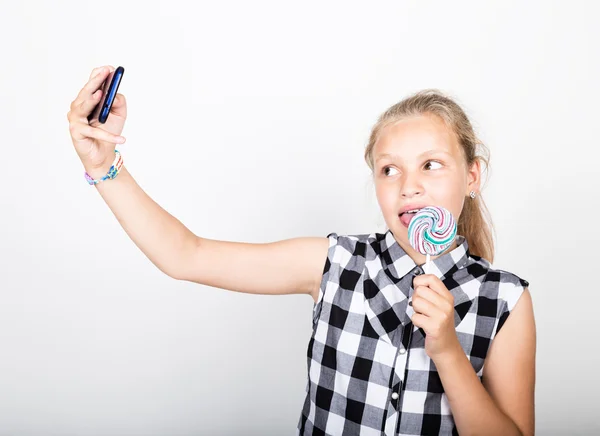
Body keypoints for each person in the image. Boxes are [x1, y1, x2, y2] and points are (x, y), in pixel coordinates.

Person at [67, 66, 536, 436]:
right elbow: (186, 255)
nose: (409, 187)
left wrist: (449, 352)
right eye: (389, 170)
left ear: (472, 176)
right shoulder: (335, 264)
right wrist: (105, 166)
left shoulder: (506, 300)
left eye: (431, 166)